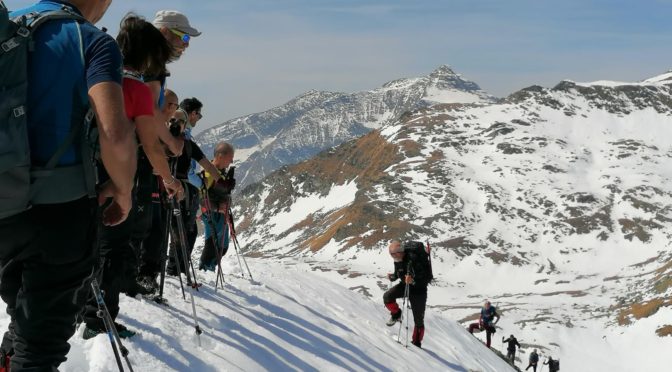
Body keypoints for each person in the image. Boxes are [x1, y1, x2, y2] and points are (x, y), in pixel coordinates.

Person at [0, 0, 136, 369]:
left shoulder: (7, 23)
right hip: (60, 211)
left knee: (20, 312)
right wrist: (123, 189)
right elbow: (115, 133)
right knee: (39, 342)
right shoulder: (91, 40)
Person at [81, 13, 180, 340]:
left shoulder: (95, 73)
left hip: (78, 171)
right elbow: (150, 147)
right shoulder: (136, 89)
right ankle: (99, 318)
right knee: (113, 245)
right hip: (115, 176)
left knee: (89, 244)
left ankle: (83, 306)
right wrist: (169, 180)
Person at [165, 109, 222, 277]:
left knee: (189, 230)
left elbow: (207, 164)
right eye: (173, 120)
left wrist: (222, 182)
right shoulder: (162, 141)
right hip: (170, 187)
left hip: (186, 190)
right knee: (176, 230)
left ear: (184, 125)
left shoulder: (189, 145)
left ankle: (180, 267)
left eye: (180, 121)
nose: (176, 123)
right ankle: (173, 268)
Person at [382, 241, 431, 348]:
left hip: (419, 291)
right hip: (405, 285)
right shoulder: (398, 260)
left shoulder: (414, 260)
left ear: (399, 252)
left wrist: (412, 281)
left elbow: (424, 279)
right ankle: (396, 314)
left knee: (418, 320)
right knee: (387, 297)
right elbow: (398, 273)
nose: (392, 256)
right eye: (391, 254)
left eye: (393, 254)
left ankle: (416, 343)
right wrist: (393, 277)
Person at [198, 143, 236, 272]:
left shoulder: (221, 173)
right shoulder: (209, 173)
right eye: (230, 157)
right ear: (220, 156)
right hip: (211, 214)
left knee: (223, 246)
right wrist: (218, 208)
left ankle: (210, 267)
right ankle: (205, 268)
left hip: (220, 214)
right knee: (213, 243)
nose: (231, 161)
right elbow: (201, 198)